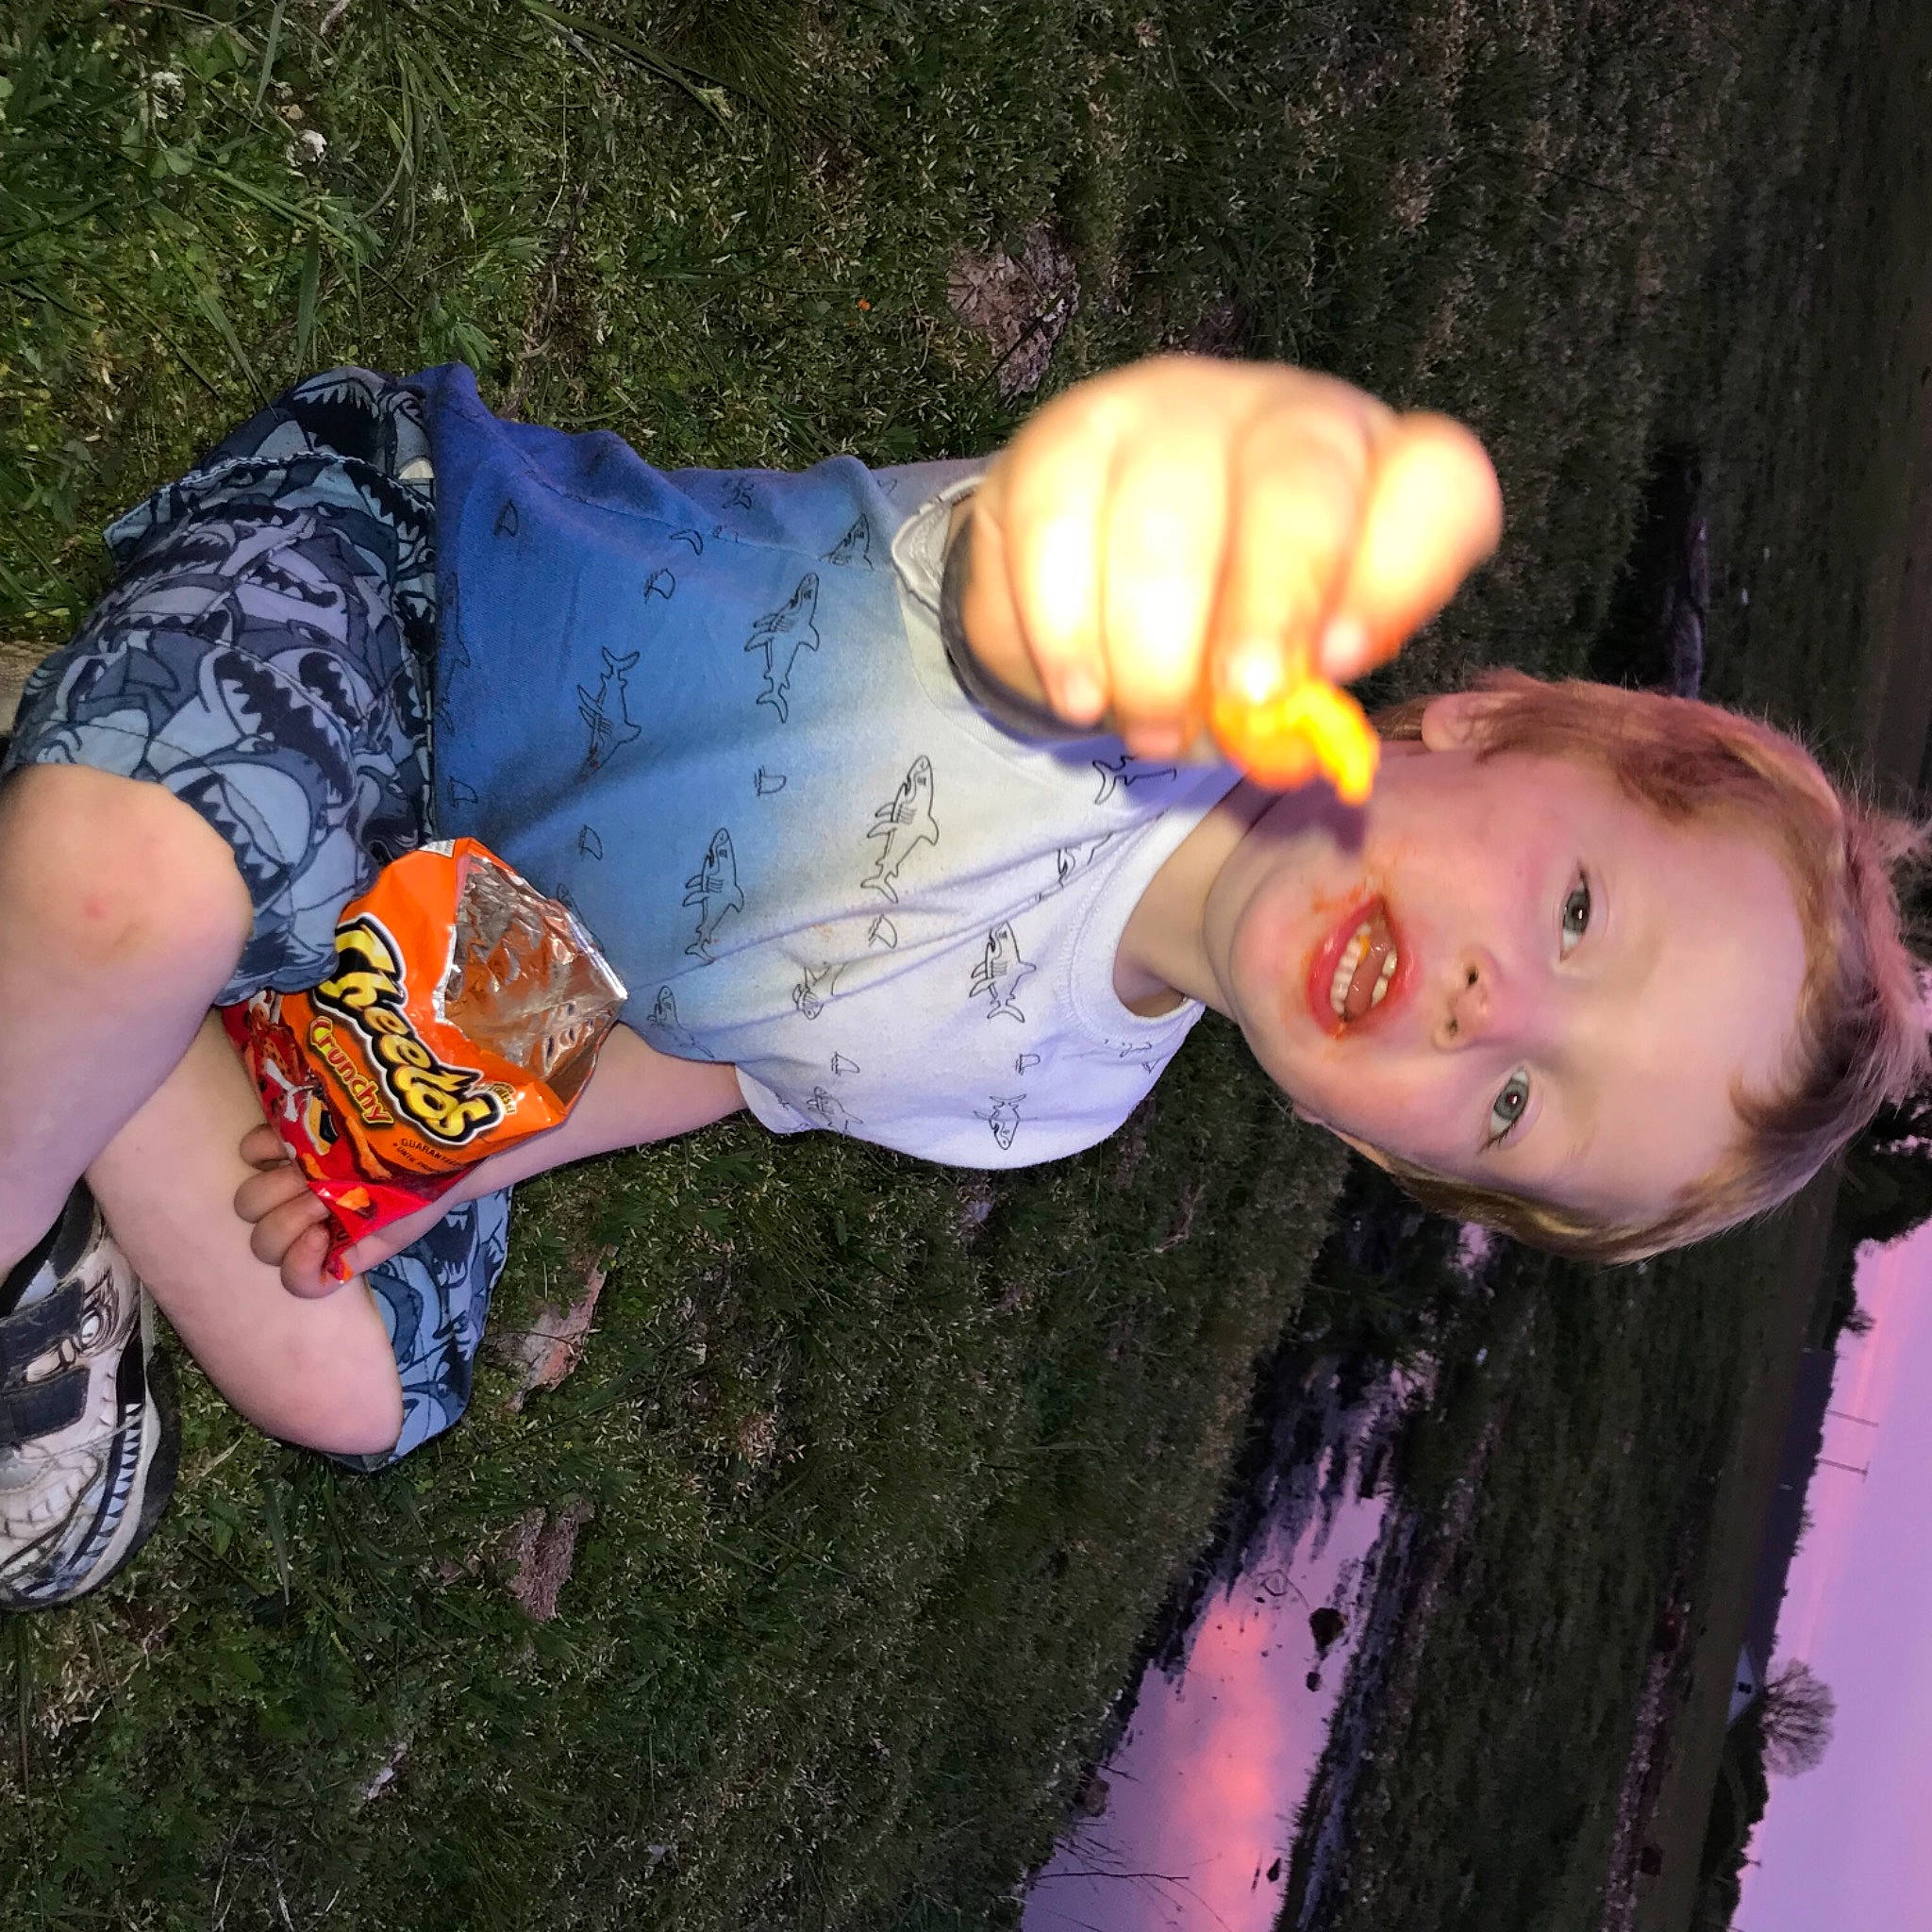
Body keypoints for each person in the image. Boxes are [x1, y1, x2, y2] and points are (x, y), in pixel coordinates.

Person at [0, 356, 1920, 1609]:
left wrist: (457, 1159)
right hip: (402, 599)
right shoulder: (1154, 684)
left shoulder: (1057, 1095)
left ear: (1407, 1159)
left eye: (1518, 1105)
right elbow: (1056, 563)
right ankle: (60, 1104)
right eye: (1579, 912)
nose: (1489, 1006)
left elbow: (726, 1052)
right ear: (1486, 725)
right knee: (124, 901)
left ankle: (101, 950)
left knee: (360, 1384)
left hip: (487, 944)